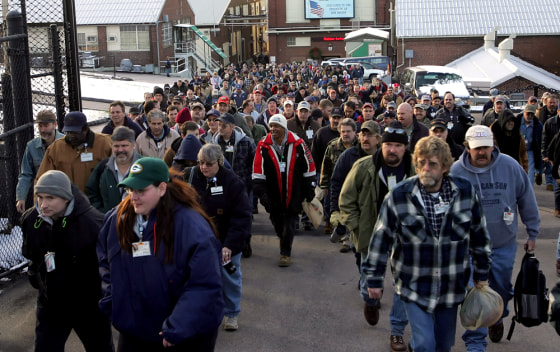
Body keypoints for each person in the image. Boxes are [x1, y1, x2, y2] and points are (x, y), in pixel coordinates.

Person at [365, 136, 492, 352]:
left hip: (451, 287)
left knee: (443, 345)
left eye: (432, 164)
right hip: (414, 285)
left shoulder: (465, 193)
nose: (426, 168)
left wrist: (482, 275)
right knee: (425, 344)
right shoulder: (398, 197)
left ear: (444, 167)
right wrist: (374, 280)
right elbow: (381, 239)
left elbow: (479, 235)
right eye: (421, 162)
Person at [97, 157, 224, 351]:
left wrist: (179, 325)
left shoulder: (192, 227)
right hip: (135, 331)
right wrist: (112, 300)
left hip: (182, 335)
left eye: (141, 190)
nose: (133, 197)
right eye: (131, 190)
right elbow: (106, 261)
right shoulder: (117, 219)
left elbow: (204, 284)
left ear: (162, 188)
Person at [450, 125, 540, 349]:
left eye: (486, 148)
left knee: (501, 289)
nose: (482, 153)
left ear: (493, 146)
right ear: (467, 147)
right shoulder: (455, 172)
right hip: (469, 248)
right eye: (477, 148)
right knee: (475, 294)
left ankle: (497, 317)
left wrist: (533, 231)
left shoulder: (510, 166)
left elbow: (527, 198)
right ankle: (475, 342)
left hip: (503, 244)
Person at [339, 121, 415, 351]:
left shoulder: (416, 170)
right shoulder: (363, 167)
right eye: (389, 144)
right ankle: (371, 300)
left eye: (398, 146)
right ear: (382, 144)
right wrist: (355, 227)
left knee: (404, 285)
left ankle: (397, 331)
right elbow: (346, 199)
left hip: (405, 238)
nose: (392, 150)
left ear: (405, 147)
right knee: (369, 284)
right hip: (371, 235)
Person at [20, 170, 113, 352]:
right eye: (40, 197)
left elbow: (106, 265)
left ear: (66, 198)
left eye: (50, 198)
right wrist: (35, 273)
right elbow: (32, 253)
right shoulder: (32, 221)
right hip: (51, 302)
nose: (43, 204)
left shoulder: (92, 224)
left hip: (88, 305)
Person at [183, 144, 251, 332]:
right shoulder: (189, 176)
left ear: (219, 162)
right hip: (196, 241)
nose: (204, 167)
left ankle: (231, 314)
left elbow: (242, 217)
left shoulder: (232, 182)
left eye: (209, 164)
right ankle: (200, 313)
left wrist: (230, 245)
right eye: (201, 163)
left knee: (229, 276)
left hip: (225, 240)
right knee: (196, 279)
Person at [252, 114, 316, 267]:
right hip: (272, 192)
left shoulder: (298, 143)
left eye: (277, 126)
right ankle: (283, 238)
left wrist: (310, 187)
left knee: (291, 220)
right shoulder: (263, 145)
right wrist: (261, 192)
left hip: (294, 190)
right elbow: (257, 169)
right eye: (271, 126)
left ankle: (285, 252)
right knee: (277, 221)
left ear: (284, 128)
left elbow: (309, 165)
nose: (273, 129)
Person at [36, 111, 112, 193]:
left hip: (99, 200)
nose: (71, 136)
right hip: (68, 201)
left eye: (75, 132)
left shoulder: (105, 143)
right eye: (68, 132)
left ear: (85, 129)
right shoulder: (55, 149)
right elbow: (42, 179)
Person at [320, 118, 358, 250]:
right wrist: (324, 185)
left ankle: (350, 238)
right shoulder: (333, 146)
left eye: (348, 131)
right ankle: (343, 236)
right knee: (338, 212)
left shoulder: (360, 147)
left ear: (354, 132)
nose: (345, 134)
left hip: (356, 186)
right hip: (338, 185)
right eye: (343, 131)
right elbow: (326, 166)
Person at [16, 110, 65, 213]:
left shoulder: (65, 143)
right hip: (42, 197)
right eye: (40, 126)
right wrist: (21, 197)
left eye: (46, 126)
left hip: (62, 194)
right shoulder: (31, 146)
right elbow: (25, 174)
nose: (42, 129)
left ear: (55, 124)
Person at [86, 126, 142, 213]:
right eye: (116, 146)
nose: (120, 150)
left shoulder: (144, 166)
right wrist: (101, 213)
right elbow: (92, 192)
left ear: (133, 145)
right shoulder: (103, 167)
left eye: (124, 145)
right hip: (110, 222)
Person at [311, 107, 343, 234]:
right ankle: (329, 222)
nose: (336, 120)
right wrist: (316, 172)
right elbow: (314, 153)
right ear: (329, 118)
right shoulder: (321, 132)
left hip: (342, 173)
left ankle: (339, 224)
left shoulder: (346, 132)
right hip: (325, 172)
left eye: (338, 118)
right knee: (327, 198)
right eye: (334, 118)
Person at [520, 104, 543, 185]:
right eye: (528, 113)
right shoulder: (517, 122)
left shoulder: (538, 125)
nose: (529, 116)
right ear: (524, 112)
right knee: (518, 170)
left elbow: (541, 139)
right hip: (518, 150)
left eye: (532, 114)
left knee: (530, 172)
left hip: (530, 151)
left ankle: (529, 192)